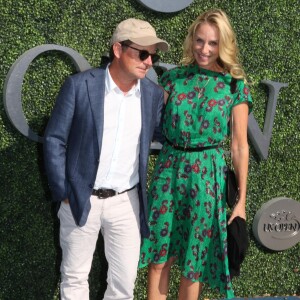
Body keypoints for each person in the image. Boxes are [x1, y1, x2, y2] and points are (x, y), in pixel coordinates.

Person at [43, 18, 169, 300]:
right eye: (142, 53)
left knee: (123, 285)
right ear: (117, 49)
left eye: (153, 55)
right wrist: (64, 191)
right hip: (80, 197)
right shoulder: (79, 86)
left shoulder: (151, 95)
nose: (149, 62)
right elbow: (54, 139)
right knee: (74, 279)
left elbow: (169, 134)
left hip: (127, 201)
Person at [139, 9, 253, 300]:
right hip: (169, 170)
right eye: (200, 41)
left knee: (195, 262)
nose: (204, 49)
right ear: (192, 40)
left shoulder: (233, 85)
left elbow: (239, 146)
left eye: (213, 43)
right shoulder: (173, 79)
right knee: (158, 257)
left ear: (223, 45)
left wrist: (240, 203)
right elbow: (148, 124)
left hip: (207, 176)